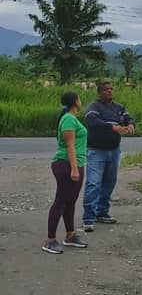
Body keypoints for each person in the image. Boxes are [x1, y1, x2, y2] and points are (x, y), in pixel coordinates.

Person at [82, 81, 135, 232]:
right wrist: (112, 127)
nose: (109, 91)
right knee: (94, 183)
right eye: (106, 90)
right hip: (96, 151)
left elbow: (128, 117)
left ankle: (102, 212)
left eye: (111, 89)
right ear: (99, 93)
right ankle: (88, 218)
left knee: (109, 183)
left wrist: (131, 124)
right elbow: (92, 121)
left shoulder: (118, 107)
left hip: (114, 150)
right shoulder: (94, 107)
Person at [42, 91, 88, 254]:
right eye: (79, 98)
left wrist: (77, 166)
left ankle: (70, 235)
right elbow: (70, 145)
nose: (81, 101)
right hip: (66, 165)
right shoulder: (68, 118)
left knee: (70, 201)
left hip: (76, 164)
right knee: (61, 201)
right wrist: (74, 169)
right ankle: (50, 240)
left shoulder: (72, 118)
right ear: (75, 101)